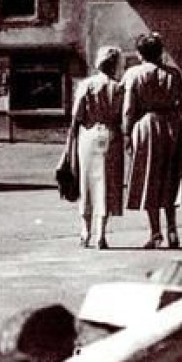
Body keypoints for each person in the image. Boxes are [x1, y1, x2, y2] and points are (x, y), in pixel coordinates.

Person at [121, 32, 182, 250]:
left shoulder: (134, 74)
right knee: (170, 176)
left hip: (146, 124)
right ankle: (172, 229)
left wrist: (126, 133)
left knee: (148, 177)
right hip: (171, 124)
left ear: (140, 53)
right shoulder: (173, 74)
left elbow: (128, 108)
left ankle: (155, 232)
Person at [68, 45, 126, 249]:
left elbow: (77, 115)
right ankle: (101, 234)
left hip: (89, 134)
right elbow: (124, 115)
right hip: (111, 135)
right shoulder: (119, 88)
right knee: (106, 184)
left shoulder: (86, 85)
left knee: (86, 182)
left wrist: (72, 139)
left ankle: (85, 231)